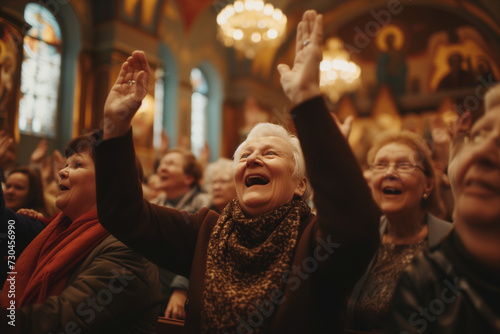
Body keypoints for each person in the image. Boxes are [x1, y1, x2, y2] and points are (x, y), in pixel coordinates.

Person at [95, 10, 380, 334]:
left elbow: (357, 228)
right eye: (244, 155)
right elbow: (125, 214)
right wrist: (115, 127)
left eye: (269, 153)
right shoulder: (206, 231)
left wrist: (307, 101)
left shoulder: (315, 241)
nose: (253, 159)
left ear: (301, 184)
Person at [0, 133, 161, 334]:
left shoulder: (128, 250)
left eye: (77, 165)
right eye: (65, 165)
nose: (62, 172)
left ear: (110, 182)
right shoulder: (55, 233)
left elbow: (57, 322)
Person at [385, 84, 500, 333]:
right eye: (478, 136)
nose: (481, 152)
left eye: (404, 165)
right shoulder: (426, 279)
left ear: (428, 185)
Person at [346, 131, 452, 331]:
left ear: (428, 185)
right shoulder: (362, 239)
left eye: (404, 165)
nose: (390, 173)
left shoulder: (451, 241)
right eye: (381, 165)